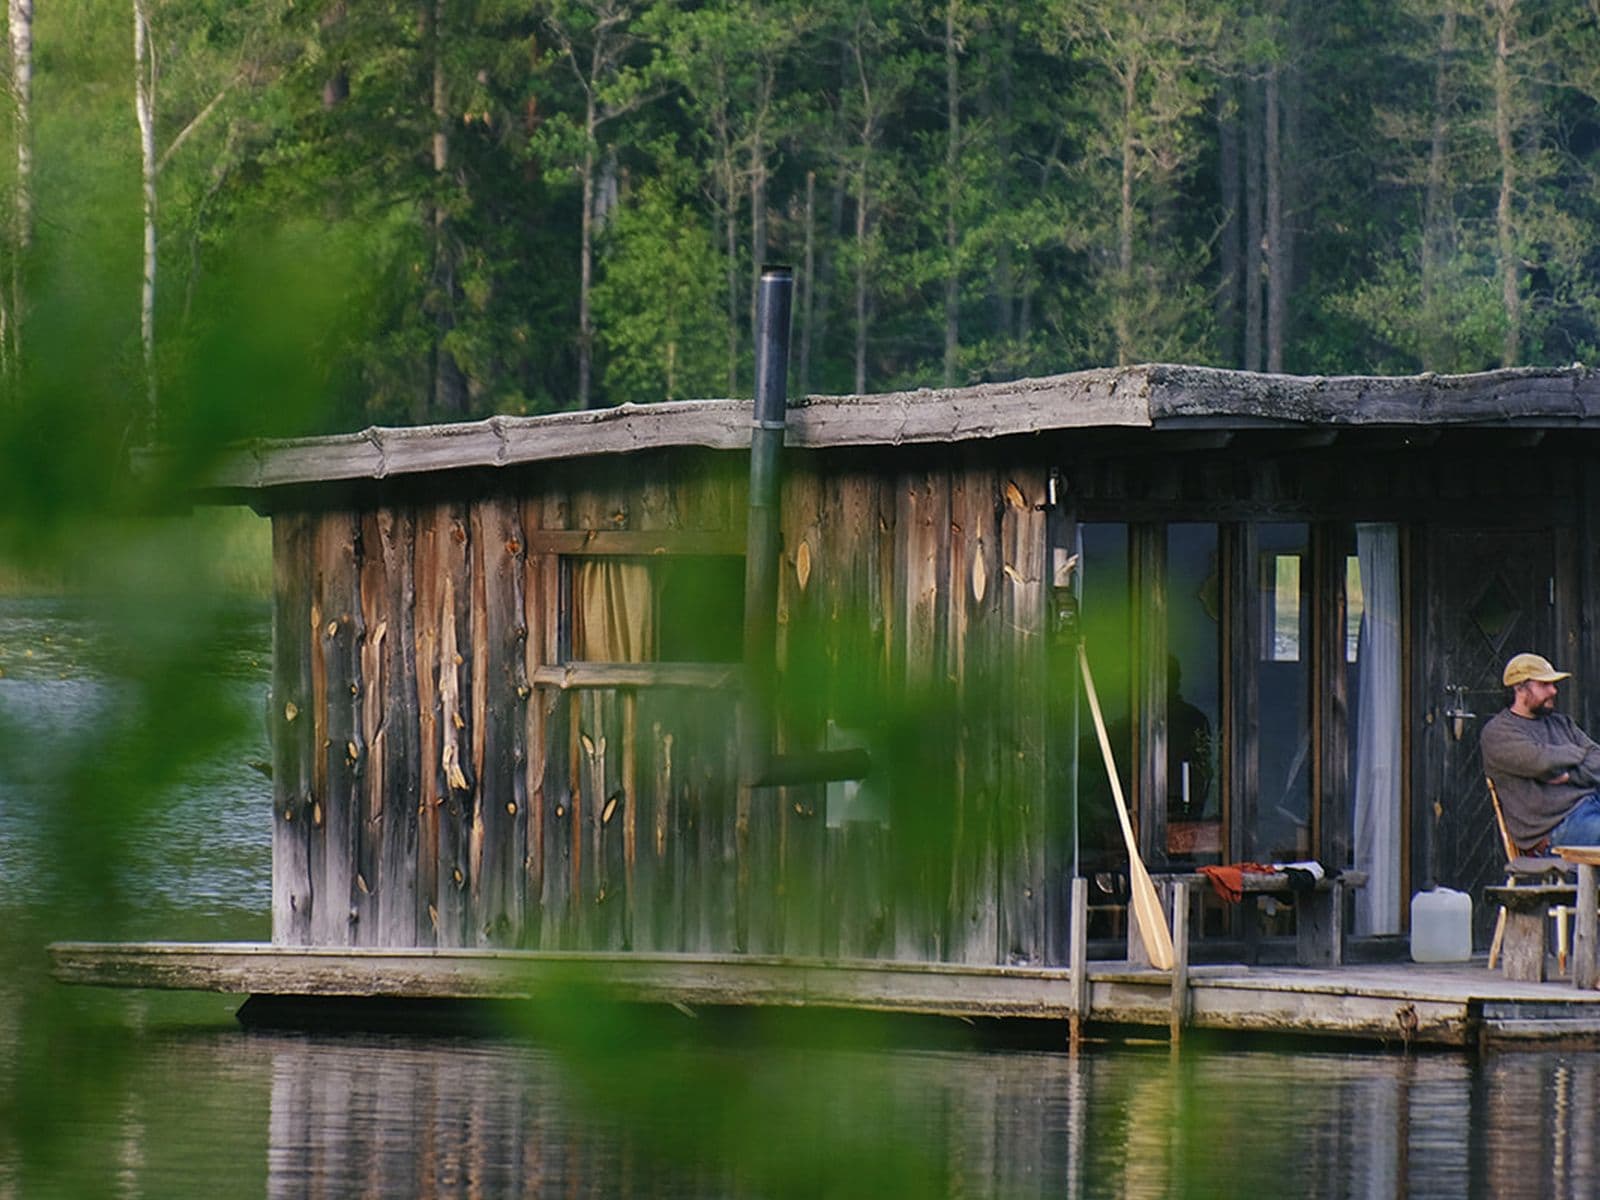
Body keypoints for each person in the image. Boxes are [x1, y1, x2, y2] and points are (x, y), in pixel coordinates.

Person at [1481, 652, 1600, 852]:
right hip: (1557, 827)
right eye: (1544, 684)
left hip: (1592, 805)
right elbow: (1542, 761)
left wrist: (1570, 774)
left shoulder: (1562, 723)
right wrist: (1579, 753)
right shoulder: (1499, 733)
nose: (1553, 691)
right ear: (1519, 688)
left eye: (1553, 684)